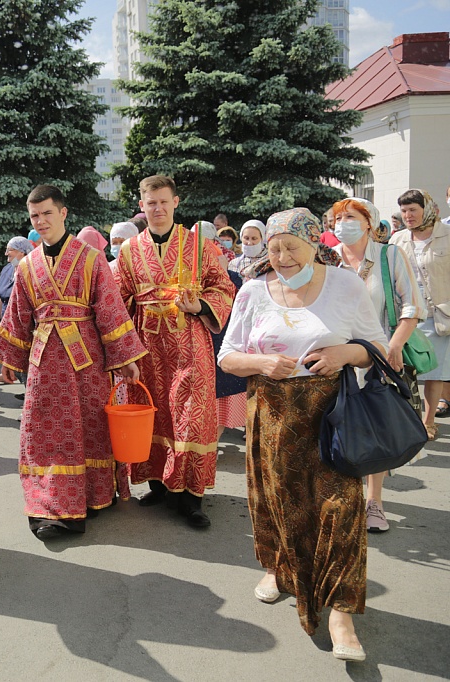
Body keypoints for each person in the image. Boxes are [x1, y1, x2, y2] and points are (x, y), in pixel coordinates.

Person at [219, 207, 387, 662]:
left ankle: (340, 615)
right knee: (277, 501)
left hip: (332, 419)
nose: (283, 257)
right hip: (271, 416)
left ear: (315, 244)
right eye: (274, 249)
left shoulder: (346, 285)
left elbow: (379, 348)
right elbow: (228, 356)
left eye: (291, 246)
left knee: (340, 510)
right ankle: (277, 568)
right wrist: (260, 363)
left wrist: (344, 352)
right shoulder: (253, 291)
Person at [0, 185, 146, 540]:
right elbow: (18, 314)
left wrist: (124, 358)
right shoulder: (27, 265)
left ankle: (93, 495)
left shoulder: (91, 259)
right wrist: (9, 360)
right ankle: (51, 504)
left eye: (47, 213)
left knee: (89, 426)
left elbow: (109, 308)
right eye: (34, 216)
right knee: (43, 431)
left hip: (87, 360)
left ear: (63, 213)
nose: (41, 221)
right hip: (44, 363)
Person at [113, 175, 235, 528]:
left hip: (189, 346)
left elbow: (223, 288)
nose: (158, 208)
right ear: (142, 206)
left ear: (176, 203)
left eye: (164, 201)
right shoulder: (129, 250)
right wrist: (122, 352)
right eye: (151, 203)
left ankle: (192, 498)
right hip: (147, 345)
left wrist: (200, 306)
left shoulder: (198, 246)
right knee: (153, 412)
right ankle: (159, 486)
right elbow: (119, 303)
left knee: (190, 417)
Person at [331, 197, 426, 533]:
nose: (343, 223)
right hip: (336, 359)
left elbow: (411, 307)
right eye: (338, 217)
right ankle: (345, 498)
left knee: (374, 426)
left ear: (369, 221)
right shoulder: (326, 260)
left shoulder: (388, 256)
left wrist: (394, 344)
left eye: (351, 216)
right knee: (341, 427)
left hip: (379, 358)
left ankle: (374, 502)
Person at [390, 189, 450, 441]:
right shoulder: (397, 240)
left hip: (440, 313)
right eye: (404, 211)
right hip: (408, 311)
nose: (408, 216)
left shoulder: (446, 236)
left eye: (413, 210)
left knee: (436, 370)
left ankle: (428, 422)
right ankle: (410, 419)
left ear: (427, 208)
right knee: (408, 368)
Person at [0, 236, 33, 384]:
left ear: (21, 252)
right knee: (11, 358)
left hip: (24, 323)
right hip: (7, 322)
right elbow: (1, 297)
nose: (6, 253)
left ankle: (29, 391)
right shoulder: (7, 269)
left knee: (24, 360)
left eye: (10, 250)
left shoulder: (31, 270)